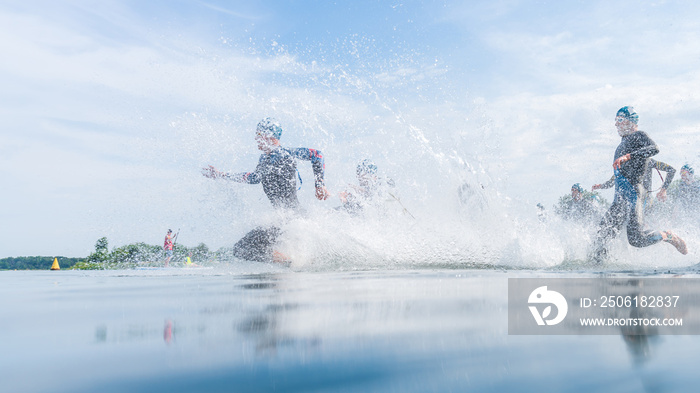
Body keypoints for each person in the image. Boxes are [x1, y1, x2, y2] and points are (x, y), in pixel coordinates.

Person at [202, 118, 329, 262]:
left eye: (259, 135)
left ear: (270, 136)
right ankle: (291, 265)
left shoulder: (286, 153)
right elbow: (254, 178)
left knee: (242, 248)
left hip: (291, 218)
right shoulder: (264, 159)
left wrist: (320, 185)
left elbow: (317, 155)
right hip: (284, 218)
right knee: (241, 249)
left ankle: (292, 264)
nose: (256, 139)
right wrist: (221, 175)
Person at [590, 106, 687, 262]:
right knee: (601, 238)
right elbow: (619, 175)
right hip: (619, 200)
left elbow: (654, 148)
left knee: (636, 239)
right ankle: (599, 273)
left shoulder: (638, 136)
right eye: (616, 120)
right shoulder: (621, 144)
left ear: (631, 121)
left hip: (634, 195)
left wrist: (628, 156)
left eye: (620, 120)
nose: (616, 124)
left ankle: (667, 235)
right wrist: (602, 185)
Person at [593, 158, 675, 209]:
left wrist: (663, 190)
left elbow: (671, 170)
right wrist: (600, 186)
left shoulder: (649, 161)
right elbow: (612, 182)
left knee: (643, 225)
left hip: (646, 201)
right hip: (629, 202)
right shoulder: (624, 164)